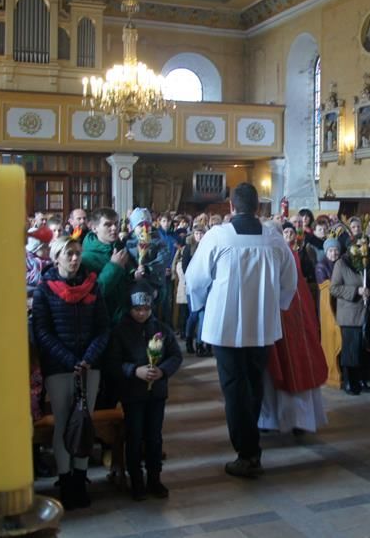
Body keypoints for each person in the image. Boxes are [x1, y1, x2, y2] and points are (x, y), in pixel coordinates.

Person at [184, 183, 296, 479]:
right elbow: (290, 281)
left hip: (226, 326)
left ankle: (247, 453)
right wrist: (276, 306)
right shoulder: (274, 238)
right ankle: (250, 446)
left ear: (231, 207)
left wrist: (200, 305)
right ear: (258, 207)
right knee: (254, 385)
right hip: (262, 326)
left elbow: (195, 279)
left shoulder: (218, 236)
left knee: (234, 389)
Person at [32, 236, 114, 509]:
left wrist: (88, 358)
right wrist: (70, 360)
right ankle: (65, 480)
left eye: (78, 253)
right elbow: (42, 332)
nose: (75, 258)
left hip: (89, 366)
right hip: (59, 367)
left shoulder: (92, 286)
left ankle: (80, 478)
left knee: (84, 421)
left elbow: (103, 327)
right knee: (64, 422)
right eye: (69, 253)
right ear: (56, 257)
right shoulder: (45, 289)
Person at [113, 283, 182, 500]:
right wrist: (134, 370)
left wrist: (162, 371)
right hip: (132, 393)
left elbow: (175, 355)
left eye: (146, 309)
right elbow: (113, 362)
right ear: (130, 309)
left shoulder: (161, 329)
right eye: (137, 309)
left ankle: (154, 477)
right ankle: (136, 479)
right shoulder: (120, 331)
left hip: (157, 394)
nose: (142, 313)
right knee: (134, 436)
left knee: (154, 437)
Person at [260, 224, 329, 434]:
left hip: (288, 318)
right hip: (282, 318)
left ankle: (293, 420)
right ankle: (276, 419)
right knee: (275, 371)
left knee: (293, 368)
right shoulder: (278, 251)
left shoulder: (283, 253)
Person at [331, 238, 370, 395]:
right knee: (351, 349)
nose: (362, 248)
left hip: (367, 311)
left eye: (364, 245)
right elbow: (334, 288)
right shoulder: (341, 264)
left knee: (364, 349)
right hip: (350, 313)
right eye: (358, 246)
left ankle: (362, 379)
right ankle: (349, 381)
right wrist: (356, 291)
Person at [80, 208, 131, 325]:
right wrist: (114, 266)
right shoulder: (86, 258)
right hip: (103, 322)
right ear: (94, 228)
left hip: (125, 320)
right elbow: (94, 293)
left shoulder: (120, 248)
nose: (114, 228)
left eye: (116, 223)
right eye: (108, 224)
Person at [181, 223, 207, 356]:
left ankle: (199, 344)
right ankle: (189, 339)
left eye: (201, 233)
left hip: (205, 285)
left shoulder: (208, 246)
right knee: (194, 314)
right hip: (192, 285)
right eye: (196, 233)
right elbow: (185, 267)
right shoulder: (188, 247)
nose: (199, 236)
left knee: (203, 315)